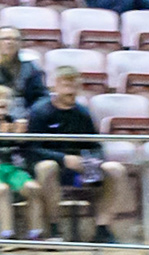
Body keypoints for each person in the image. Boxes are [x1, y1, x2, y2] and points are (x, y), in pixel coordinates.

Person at [28, 66, 127, 243]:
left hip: (81, 167)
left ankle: (102, 228)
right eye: (66, 84)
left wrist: (90, 162)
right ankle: (54, 228)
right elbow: (32, 149)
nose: (70, 90)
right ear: (56, 86)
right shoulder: (40, 112)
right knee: (47, 167)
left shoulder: (82, 113)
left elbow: (95, 146)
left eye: (73, 85)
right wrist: (64, 159)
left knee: (115, 169)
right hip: (52, 166)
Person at [0, 83, 45, 240]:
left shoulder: (13, 122)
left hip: (12, 169)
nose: (3, 101)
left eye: (6, 98)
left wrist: (20, 138)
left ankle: (35, 234)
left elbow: (22, 149)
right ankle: (7, 235)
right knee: (2, 189)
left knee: (33, 188)